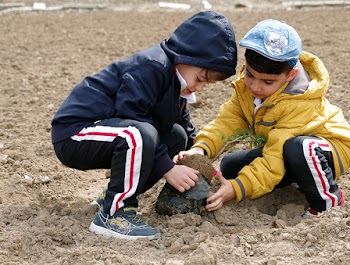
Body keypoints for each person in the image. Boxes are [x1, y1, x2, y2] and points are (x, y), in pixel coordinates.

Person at [50, 11, 237, 240]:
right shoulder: (152, 66)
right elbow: (131, 114)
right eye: (200, 78)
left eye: (205, 84)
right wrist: (168, 169)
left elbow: (184, 129)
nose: (199, 88)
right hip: (76, 133)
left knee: (176, 137)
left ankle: (109, 198)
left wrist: (197, 160)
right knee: (140, 134)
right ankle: (114, 213)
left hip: (116, 131)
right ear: (186, 56)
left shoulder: (177, 82)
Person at [175, 19, 350, 217]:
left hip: (326, 150)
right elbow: (227, 122)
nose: (255, 87)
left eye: (268, 82)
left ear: (291, 75)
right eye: (251, 75)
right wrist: (200, 148)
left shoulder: (299, 101)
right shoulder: (246, 89)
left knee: (298, 148)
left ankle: (327, 202)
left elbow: (275, 155)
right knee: (230, 167)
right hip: (286, 150)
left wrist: (236, 189)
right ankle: (301, 178)